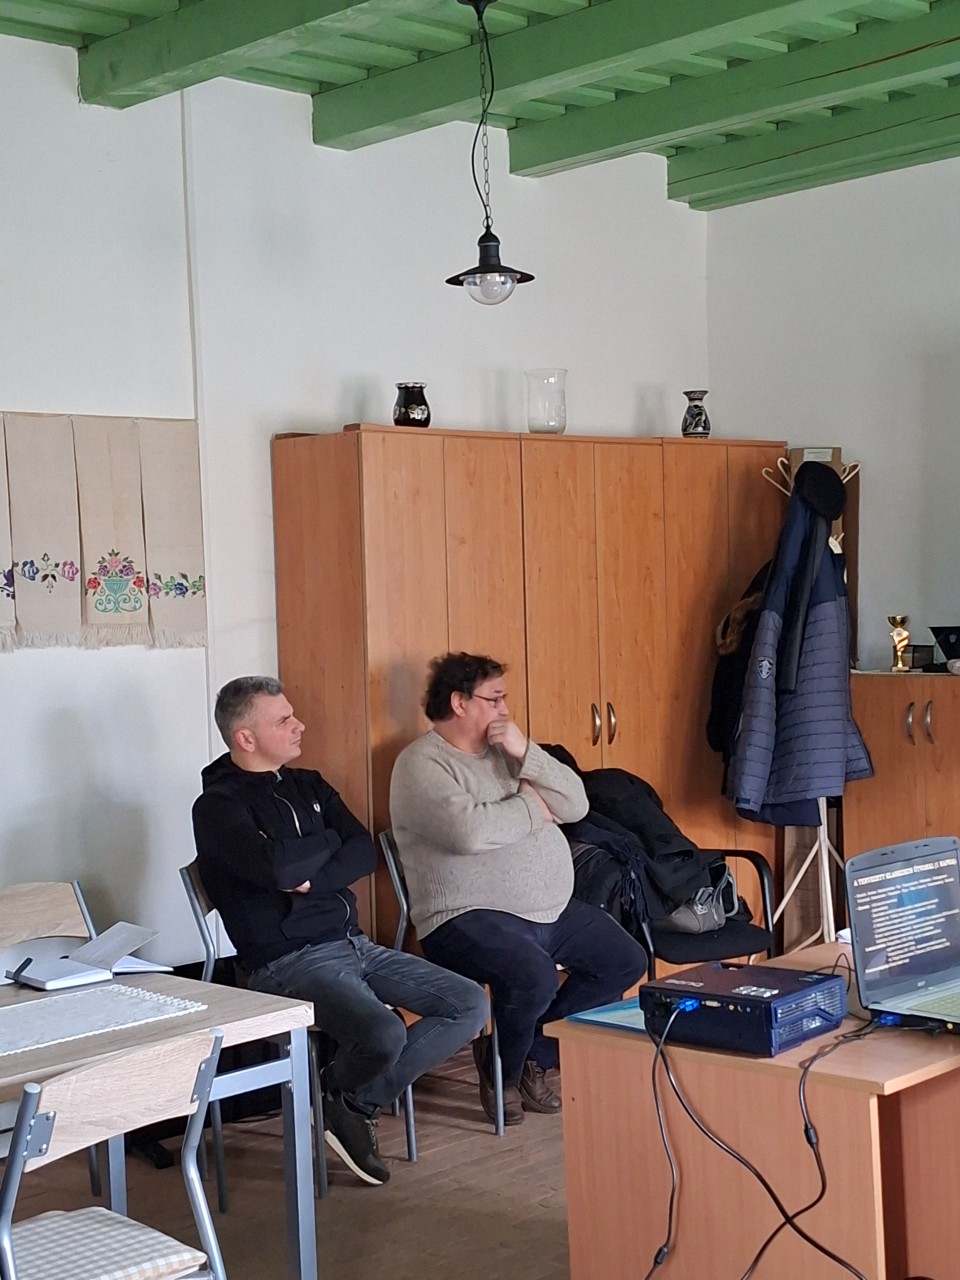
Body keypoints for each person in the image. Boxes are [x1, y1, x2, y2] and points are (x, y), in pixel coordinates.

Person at [192, 676, 488, 1187]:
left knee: (470, 1004)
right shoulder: (218, 807)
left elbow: (363, 851)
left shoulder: (309, 784)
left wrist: (312, 870)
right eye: (283, 720)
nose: (299, 725)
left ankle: (349, 1099)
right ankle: (348, 1103)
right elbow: (277, 870)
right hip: (285, 961)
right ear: (246, 737)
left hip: (354, 943)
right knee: (384, 1032)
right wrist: (326, 844)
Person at [389, 653, 647, 1126]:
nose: (505, 709)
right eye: (494, 699)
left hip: (548, 910)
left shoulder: (508, 754)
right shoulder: (421, 764)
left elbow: (575, 805)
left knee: (625, 960)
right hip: (464, 915)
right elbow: (469, 832)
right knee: (534, 976)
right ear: (459, 703)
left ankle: (533, 1055)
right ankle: (502, 1073)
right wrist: (532, 807)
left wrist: (527, 751)